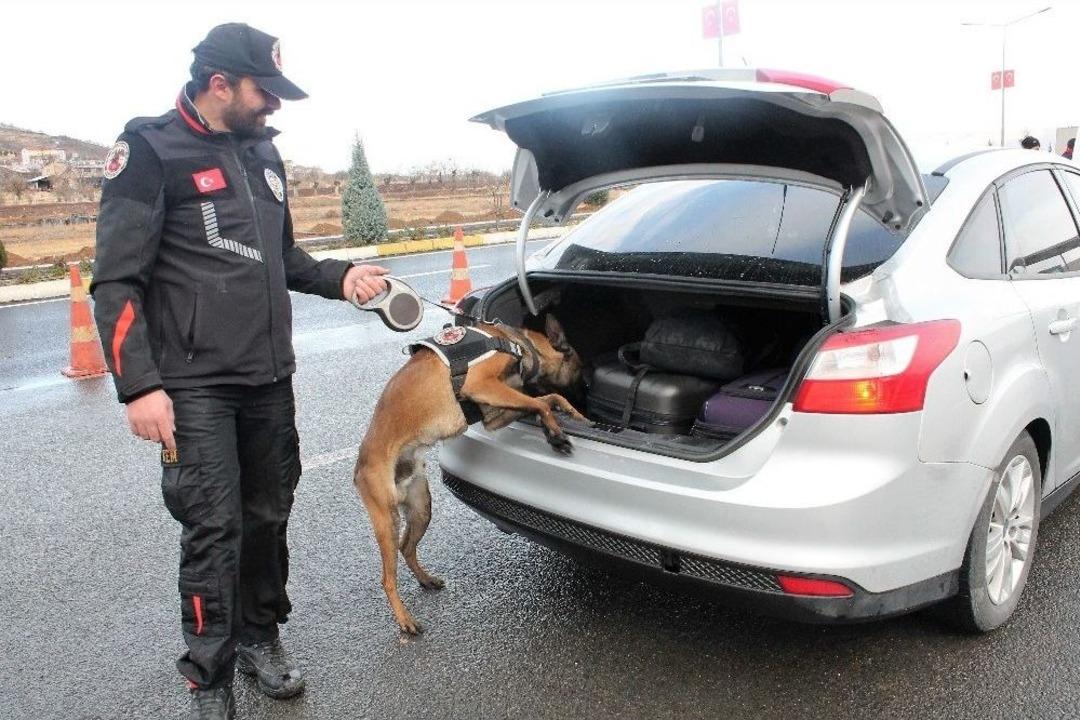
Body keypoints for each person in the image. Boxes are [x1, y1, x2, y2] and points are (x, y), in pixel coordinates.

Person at [90, 23, 389, 720]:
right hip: (193, 387)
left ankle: (260, 637)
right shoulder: (150, 149)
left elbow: (281, 261)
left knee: (268, 515)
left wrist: (341, 276)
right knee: (213, 527)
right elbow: (116, 283)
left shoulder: (263, 157)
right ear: (219, 82)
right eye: (266, 90)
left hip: (267, 379)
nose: (275, 105)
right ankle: (209, 675)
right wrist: (139, 385)